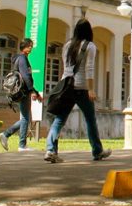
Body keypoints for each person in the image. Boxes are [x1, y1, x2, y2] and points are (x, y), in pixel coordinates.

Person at [44, 18, 112, 163]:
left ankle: (51, 150)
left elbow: (65, 66)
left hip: (66, 87)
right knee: (90, 120)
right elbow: (89, 69)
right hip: (81, 88)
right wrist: (91, 89)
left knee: (59, 120)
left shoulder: (68, 45)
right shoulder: (90, 46)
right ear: (89, 31)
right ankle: (97, 151)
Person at [0, 38, 41, 152]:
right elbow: (26, 76)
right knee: (25, 118)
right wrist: (33, 91)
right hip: (24, 92)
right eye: (29, 46)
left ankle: (6, 135)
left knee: (24, 119)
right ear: (24, 47)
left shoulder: (21, 58)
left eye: (31, 46)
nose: (31, 48)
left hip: (23, 91)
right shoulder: (22, 59)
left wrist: (33, 90)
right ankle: (21, 145)